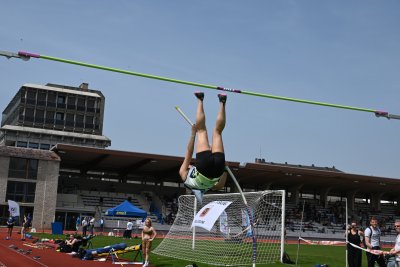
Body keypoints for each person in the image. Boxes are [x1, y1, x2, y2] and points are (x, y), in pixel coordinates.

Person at [179, 92, 228, 203]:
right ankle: (200, 99)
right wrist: (193, 133)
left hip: (217, 170)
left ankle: (222, 102)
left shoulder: (207, 188)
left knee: (218, 132)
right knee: (201, 130)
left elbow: (220, 185)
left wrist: (225, 169)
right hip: (203, 166)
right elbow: (189, 152)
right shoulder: (184, 177)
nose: (190, 165)